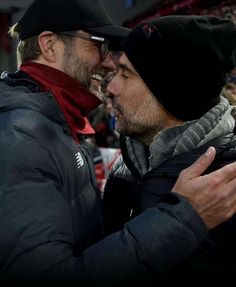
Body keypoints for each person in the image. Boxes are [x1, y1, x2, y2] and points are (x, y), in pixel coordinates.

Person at [0, 0, 236, 285]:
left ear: (169, 91)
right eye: (98, 43)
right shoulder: (23, 136)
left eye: (126, 73)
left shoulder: (64, 127)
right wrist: (183, 218)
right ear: (49, 46)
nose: (107, 63)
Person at [103, 15, 236, 284]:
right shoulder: (129, 161)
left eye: (126, 74)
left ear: (173, 92)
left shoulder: (227, 182)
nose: (111, 87)